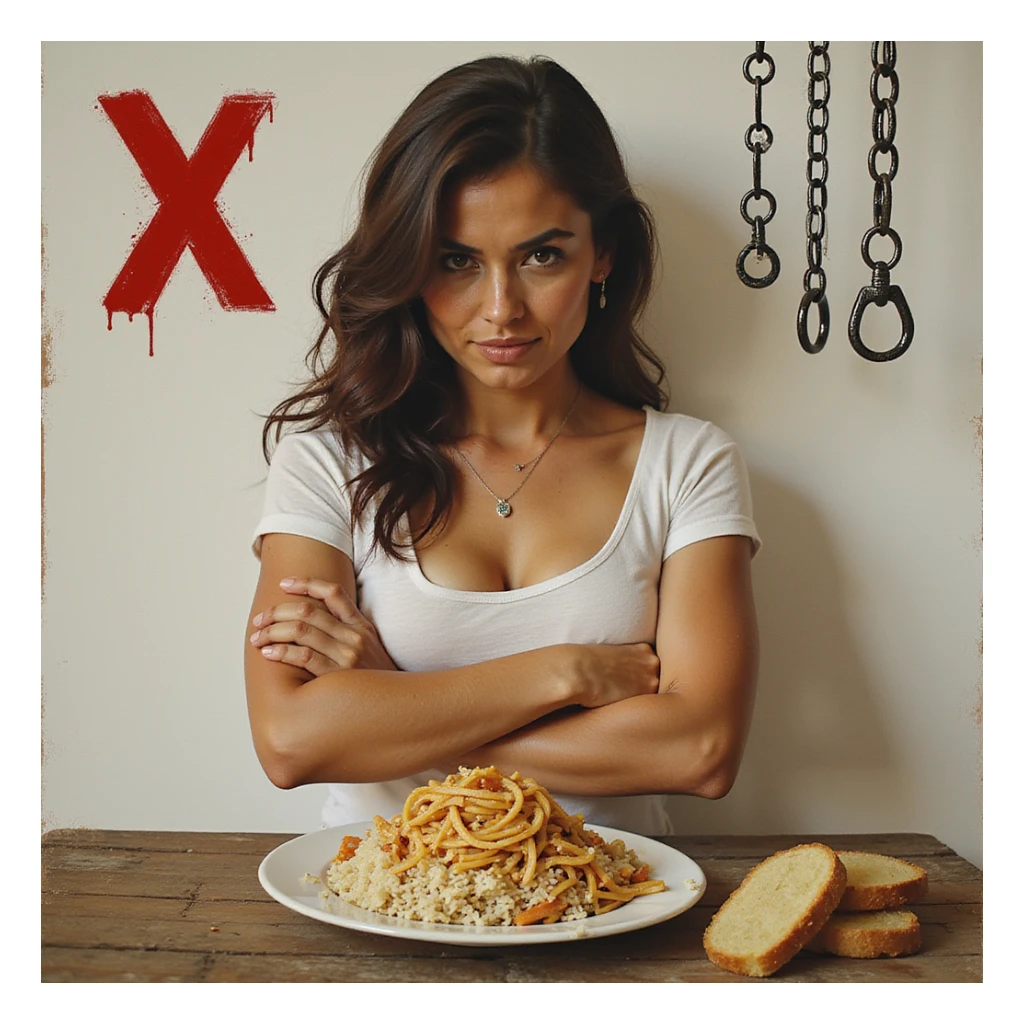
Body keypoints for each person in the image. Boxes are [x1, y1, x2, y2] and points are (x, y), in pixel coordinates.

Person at [244, 55, 760, 836]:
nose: (501, 309)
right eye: (456, 261)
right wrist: (564, 673)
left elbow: (701, 751)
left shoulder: (687, 465)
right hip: (378, 891)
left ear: (604, 254)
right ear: (411, 265)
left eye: (541, 256)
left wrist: (393, 702)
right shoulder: (326, 466)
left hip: (615, 894)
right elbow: (291, 741)